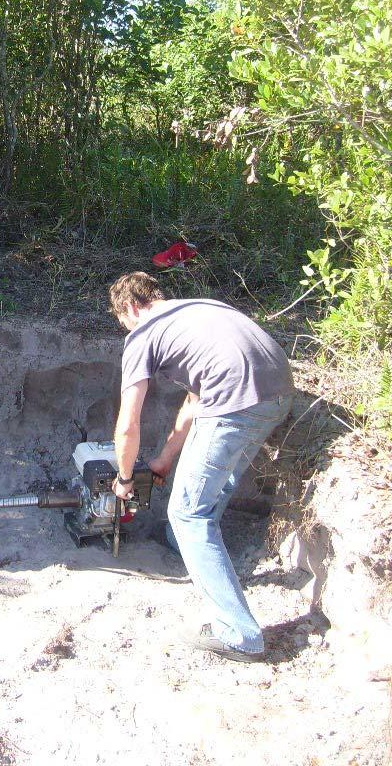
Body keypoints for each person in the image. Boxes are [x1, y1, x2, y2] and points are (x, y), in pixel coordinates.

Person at [108, 271, 294, 662]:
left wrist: (125, 478)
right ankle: (182, 542)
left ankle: (238, 633)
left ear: (130, 307)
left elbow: (127, 425)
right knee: (215, 483)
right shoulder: (201, 310)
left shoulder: (142, 334)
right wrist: (163, 460)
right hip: (277, 396)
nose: (125, 327)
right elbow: (195, 402)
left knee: (187, 512)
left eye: (122, 320)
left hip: (234, 407)